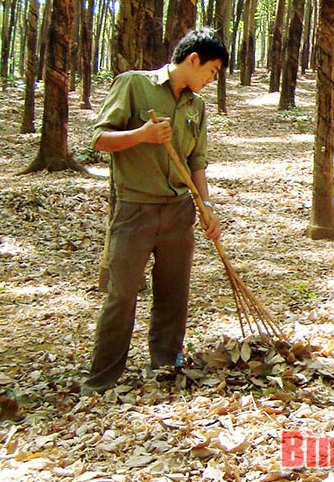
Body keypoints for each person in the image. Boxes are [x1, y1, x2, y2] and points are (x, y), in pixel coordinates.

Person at [82, 28, 228, 395]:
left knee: (174, 293)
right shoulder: (133, 85)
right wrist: (142, 135)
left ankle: (165, 365)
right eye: (211, 71)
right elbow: (98, 139)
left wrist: (206, 207)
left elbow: (197, 161)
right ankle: (101, 380)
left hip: (179, 211)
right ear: (193, 59)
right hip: (136, 209)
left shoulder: (197, 106)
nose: (212, 80)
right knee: (122, 294)